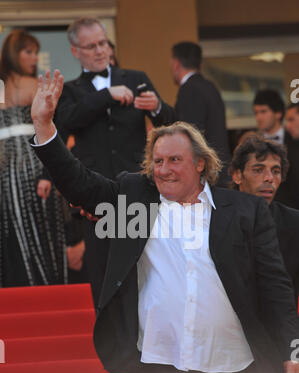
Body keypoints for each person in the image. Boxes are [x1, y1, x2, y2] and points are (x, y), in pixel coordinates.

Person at [30, 70, 299, 373]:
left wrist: (292, 350)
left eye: (174, 160)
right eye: (157, 161)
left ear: (200, 164)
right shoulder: (135, 198)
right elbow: (79, 183)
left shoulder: (244, 211)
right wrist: (44, 127)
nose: (163, 170)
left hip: (238, 372)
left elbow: (276, 288)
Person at [54, 17, 172, 303]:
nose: (99, 51)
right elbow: (65, 122)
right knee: (105, 273)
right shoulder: (71, 91)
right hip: (97, 197)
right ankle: (110, 342)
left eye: (103, 43)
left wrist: (157, 108)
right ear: (75, 51)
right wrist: (106, 95)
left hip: (139, 189)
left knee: (148, 269)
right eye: (91, 46)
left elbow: (172, 124)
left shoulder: (135, 77)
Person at [0, 31, 67, 287]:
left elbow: (54, 126)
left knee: (40, 225)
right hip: (6, 167)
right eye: (27, 51)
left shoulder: (36, 85)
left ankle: (42, 289)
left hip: (33, 163)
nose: (34, 57)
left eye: (35, 51)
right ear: (12, 53)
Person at [229, 133, 299, 299]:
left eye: (276, 171)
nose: (269, 178)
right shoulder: (215, 219)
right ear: (237, 175)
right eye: (258, 170)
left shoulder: (294, 223)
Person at [153, 41, 231, 186]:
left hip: (206, 175)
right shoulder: (211, 87)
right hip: (220, 170)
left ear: (176, 64)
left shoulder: (189, 90)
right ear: (200, 65)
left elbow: (191, 134)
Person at [253, 89, 299, 209]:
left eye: (263, 112)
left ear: (278, 113)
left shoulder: (295, 138)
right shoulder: (252, 144)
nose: (259, 117)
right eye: (256, 113)